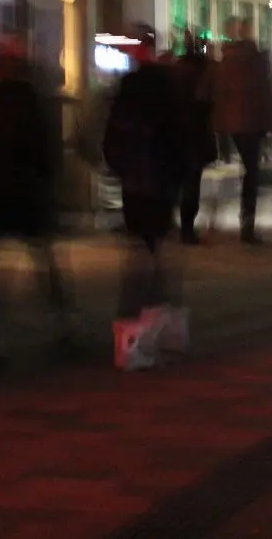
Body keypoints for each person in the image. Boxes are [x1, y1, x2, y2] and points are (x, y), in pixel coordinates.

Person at [0, 40, 72, 369]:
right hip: (26, 191)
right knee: (42, 257)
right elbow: (44, 150)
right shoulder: (30, 101)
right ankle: (62, 321)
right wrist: (48, 181)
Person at [103, 31, 188, 370]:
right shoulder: (169, 91)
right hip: (161, 182)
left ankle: (132, 333)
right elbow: (181, 140)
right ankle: (157, 328)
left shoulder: (127, 91)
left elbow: (112, 142)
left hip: (136, 183)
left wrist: (123, 170)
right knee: (158, 251)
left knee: (140, 252)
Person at [214, 17, 272, 244]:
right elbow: (265, 95)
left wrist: (220, 125)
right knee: (252, 171)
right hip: (252, 123)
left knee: (249, 169)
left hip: (234, 123)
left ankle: (245, 219)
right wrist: (270, 124)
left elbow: (220, 93)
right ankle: (247, 221)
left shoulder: (227, 60)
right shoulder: (257, 60)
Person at [172, 34, 217, 245]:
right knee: (192, 181)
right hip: (196, 130)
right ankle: (187, 228)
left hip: (178, 131)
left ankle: (179, 224)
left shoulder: (177, 69)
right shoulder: (203, 71)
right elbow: (208, 99)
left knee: (181, 179)